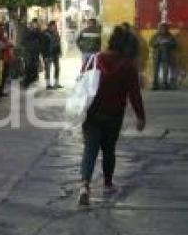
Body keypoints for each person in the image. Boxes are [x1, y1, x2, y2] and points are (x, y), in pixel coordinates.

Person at [78, 26, 146, 206]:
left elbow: (82, 79)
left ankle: (85, 185)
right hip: (114, 115)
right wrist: (140, 116)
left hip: (92, 113)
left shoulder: (96, 58)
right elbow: (134, 94)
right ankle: (108, 183)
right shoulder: (128, 66)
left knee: (90, 149)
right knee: (109, 150)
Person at [151, 23, 177, 90]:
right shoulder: (156, 35)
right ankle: (155, 84)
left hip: (166, 56)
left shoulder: (170, 36)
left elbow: (175, 44)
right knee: (155, 70)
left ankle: (164, 84)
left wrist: (168, 42)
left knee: (165, 71)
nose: (162, 30)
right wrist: (157, 42)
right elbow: (151, 43)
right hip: (156, 56)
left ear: (166, 29)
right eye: (161, 28)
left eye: (164, 28)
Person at [22, 19, 44, 88]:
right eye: (34, 24)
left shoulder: (38, 31)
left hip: (35, 52)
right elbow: (24, 40)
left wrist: (38, 30)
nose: (35, 25)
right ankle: (26, 82)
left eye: (36, 24)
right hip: (28, 52)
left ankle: (31, 80)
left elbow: (41, 39)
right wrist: (32, 31)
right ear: (31, 24)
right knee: (28, 67)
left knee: (34, 67)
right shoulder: (27, 31)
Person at [43, 20, 63, 89]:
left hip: (55, 53)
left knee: (57, 68)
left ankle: (56, 83)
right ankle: (48, 84)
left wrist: (60, 51)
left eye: (55, 26)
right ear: (50, 26)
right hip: (48, 54)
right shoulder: (45, 33)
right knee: (48, 69)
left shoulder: (56, 32)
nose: (55, 27)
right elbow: (43, 45)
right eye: (54, 25)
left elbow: (58, 42)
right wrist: (44, 55)